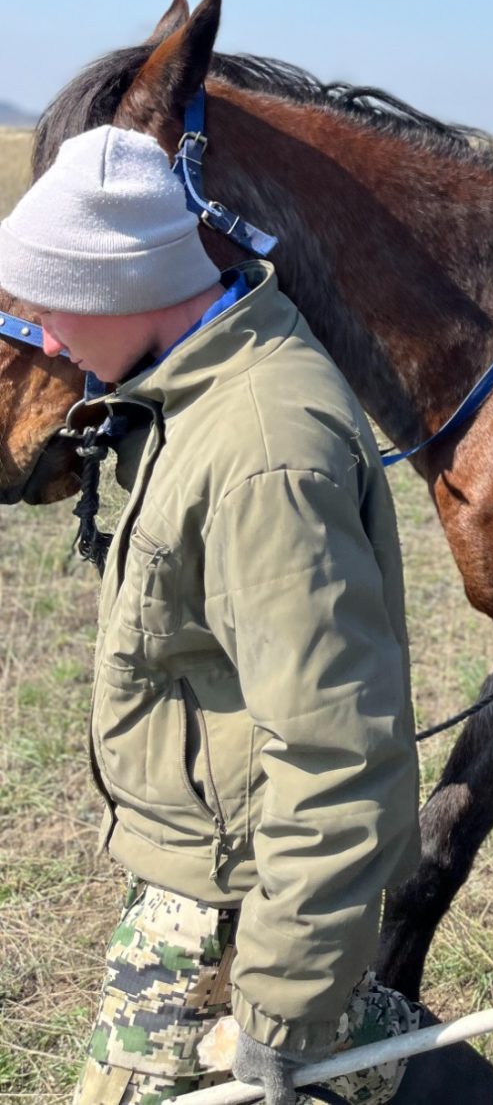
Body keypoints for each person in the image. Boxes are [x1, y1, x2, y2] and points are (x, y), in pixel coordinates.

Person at [0, 125, 422, 1105]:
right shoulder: (184, 395)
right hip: (203, 863)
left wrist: (278, 1015)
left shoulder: (259, 453)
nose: (45, 343)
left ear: (114, 289)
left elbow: (337, 752)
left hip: (235, 902)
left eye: (42, 310)